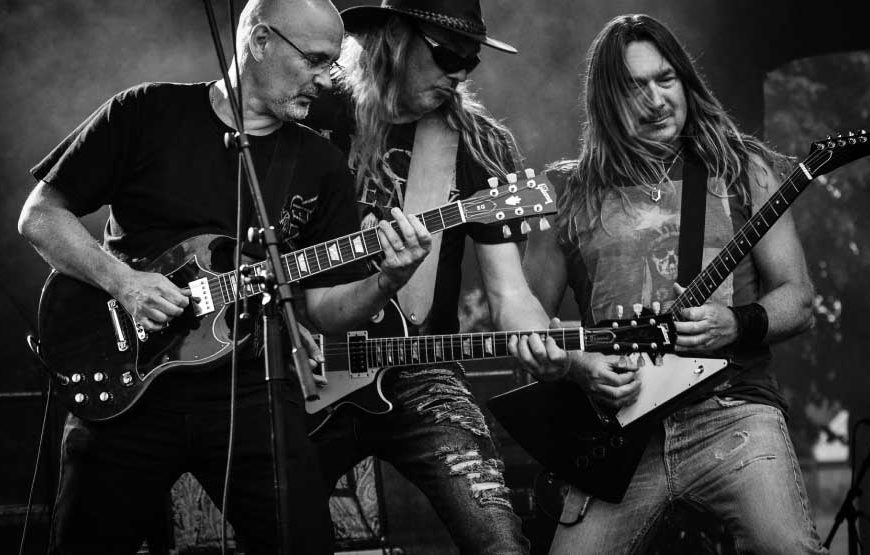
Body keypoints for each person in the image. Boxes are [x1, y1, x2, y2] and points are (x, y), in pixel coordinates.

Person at [17, 0, 431, 553]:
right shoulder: (146, 111)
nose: (326, 79)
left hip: (253, 390)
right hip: (127, 383)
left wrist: (387, 281)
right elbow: (40, 216)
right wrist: (124, 283)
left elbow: (321, 310)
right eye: (314, 60)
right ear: (260, 41)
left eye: (332, 64)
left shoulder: (319, 164)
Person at [519, 13, 826, 554]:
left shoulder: (742, 167)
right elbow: (525, 323)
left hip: (730, 412)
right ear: (606, 100)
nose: (656, 100)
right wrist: (580, 366)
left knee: (787, 548)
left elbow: (798, 299)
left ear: (685, 81)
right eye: (634, 87)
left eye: (666, 79)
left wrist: (736, 323)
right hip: (617, 433)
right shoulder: (565, 191)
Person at [304, 0, 567, 552]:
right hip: (300, 366)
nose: (459, 74)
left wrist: (543, 342)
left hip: (418, 369)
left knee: (500, 542)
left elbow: (510, 293)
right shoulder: (310, 112)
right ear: (395, 37)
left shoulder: (478, 144)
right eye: (448, 55)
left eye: (471, 61)